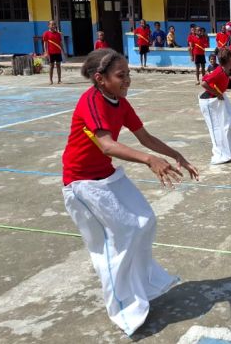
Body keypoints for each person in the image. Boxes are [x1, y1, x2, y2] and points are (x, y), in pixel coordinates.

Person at [61, 49, 199, 336]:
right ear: (100, 79)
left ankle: (143, 286)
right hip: (82, 183)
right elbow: (107, 145)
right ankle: (123, 305)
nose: (128, 81)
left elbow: (144, 136)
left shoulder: (120, 102)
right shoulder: (91, 101)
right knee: (123, 235)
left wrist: (176, 155)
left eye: (129, 74)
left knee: (146, 221)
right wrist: (149, 160)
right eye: (121, 76)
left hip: (107, 175)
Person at [199, 48, 231, 164]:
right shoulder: (218, 71)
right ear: (229, 60)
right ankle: (219, 154)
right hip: (209, 101)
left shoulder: (227, 70)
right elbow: (203, 83)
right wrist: (217, 93)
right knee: (216, 129)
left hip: (219, 98)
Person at [42, 20, 64, 85]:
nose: (54, 26)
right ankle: (50, 80)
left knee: (58, 66)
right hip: (51, 53)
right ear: (48, 25)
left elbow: (60, 43)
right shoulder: (46, 33)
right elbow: (45, 44)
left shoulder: (58, 34)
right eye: (52, 24)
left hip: (58, 52)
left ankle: (59, 80)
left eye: (54, 24)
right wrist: (46, 52)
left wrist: (63, 51)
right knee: (51, 66)